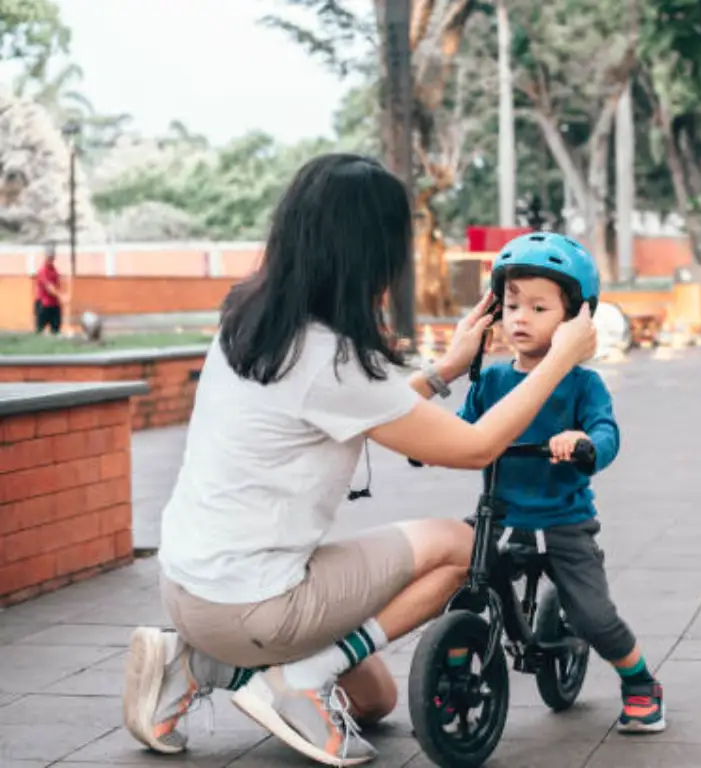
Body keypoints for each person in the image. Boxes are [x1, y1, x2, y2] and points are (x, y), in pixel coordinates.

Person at [120, 154, 597, 767]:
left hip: (191, 588)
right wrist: (559, 360)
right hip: (254, 603)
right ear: (372, 251)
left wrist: (447, 369)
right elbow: (474, 446)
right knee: (460, 546)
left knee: (375, 700)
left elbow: (364, 410)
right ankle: (299, 677)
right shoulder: (331, 357)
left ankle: (195, 662)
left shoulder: (251, 316)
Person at [453, 232, 666, 734]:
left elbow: (606, 434)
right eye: (511, 306)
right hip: (501, 516)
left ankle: (639, 682)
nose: (520, 318)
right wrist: (428, 444)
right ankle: (449, 677)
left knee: (593, 617)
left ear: (575, 320)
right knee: (460, 588)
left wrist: (583, 442)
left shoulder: (583, 384)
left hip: (563, 521)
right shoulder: (491, 381)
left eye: (538, 307)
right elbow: (458, 430)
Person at [34, 243, 62, 334]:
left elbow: (57, 285)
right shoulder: (43, 271)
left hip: (54, 304)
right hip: (44, 304)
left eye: (52, 256)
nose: (51, 259)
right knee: (40, 329)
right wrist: (61, 295)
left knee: (56, 330)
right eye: (49, 257)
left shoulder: (54, 270)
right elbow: (49, 287)